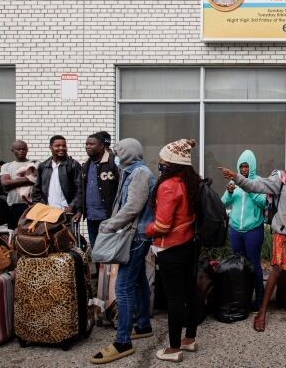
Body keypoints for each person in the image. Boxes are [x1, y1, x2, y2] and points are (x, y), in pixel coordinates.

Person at [221, 151, 286, 333]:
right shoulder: (281, 179)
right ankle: (261, 312)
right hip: (283, 233)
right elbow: (256, 186)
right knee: (277, 270)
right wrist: (237, 178)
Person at [89, 138, 155, 364]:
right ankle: (144, 324)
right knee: (137, 281)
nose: (114, 156)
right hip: (134, 233)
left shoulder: (140, 173)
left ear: (128, 154)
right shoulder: (131, 171)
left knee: (123, 286)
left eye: (117, 152)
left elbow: (133, 207)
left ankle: (123, 341)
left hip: (135, 235)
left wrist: (110, 224)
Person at [145, 138, 200, 363]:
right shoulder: (191, 181)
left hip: (171, 249)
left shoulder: (168, 186)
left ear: (171, 164)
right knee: (190, 292)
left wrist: (145, 230)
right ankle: (190, 339)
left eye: (163, 161)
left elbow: (162, 226)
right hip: (189, 244)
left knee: (175, 298)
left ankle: (173, 349)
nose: (160, 163)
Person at [221, 150, 267, 311]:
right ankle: (242, 298)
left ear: (252, 167)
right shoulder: (234, 183)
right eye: (241, 166)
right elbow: (223, 204)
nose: (244, 169)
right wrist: (229, 191)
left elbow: (264, 203)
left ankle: (260, 300)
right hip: (235, 230)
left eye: (247, 166)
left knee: (254, 264)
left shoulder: (259, 182)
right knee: (239, 266)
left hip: (253, 229)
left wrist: (249, 189)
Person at [81, 132, 120, 247]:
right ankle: (98, 266)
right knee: (95, 249)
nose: (88, 146)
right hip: (90, 216)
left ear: (102, 146)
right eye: (87, 144)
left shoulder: (113, 162)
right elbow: (81, 189)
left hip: (108, 216)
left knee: (108, 250)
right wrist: (80, 210)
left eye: (92, 144)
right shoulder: (86, 164)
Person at [32, 135, 83, 220]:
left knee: (68, 233)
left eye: (64, 146)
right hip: (47, 212)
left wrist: (72, 206)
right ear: (50, 147)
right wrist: (40, 207)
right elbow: (36, 189)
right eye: (57, 146)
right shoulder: (43, 166)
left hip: (67, 212)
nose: (61, 148)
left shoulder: (73, 165)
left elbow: (80, 189)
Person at [0, 140, 37, 230]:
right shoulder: (7, 166)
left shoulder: (35, 164)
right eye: (18, 149)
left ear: (27, 150)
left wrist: (13, 182)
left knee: (31, 232)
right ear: (12, 150)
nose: (21, 151)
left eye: (24, 149)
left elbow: (38, 181)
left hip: (31, 205)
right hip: (14, 205)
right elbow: (5, 183)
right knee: (14, 232)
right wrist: (28, 179)